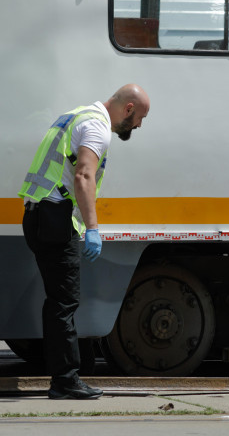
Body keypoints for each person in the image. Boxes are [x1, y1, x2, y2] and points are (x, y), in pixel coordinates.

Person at [18, 84, 151, 399]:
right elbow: (83, 175)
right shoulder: (97, 128)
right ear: (128, 108)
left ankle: (69, 371)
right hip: (54, 218)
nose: (139, 126)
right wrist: (92, 227)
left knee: (58, 301)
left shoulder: (76, 115)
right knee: (64, 302)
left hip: (39, 213)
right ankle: (65, 381)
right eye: (140, 118)